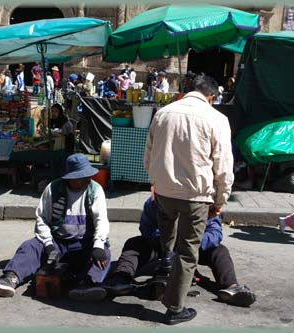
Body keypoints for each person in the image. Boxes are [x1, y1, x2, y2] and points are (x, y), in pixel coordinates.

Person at [144, 74, 234, 325]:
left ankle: (165, 271)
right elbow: (224, 166)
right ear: (211, 96)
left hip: (164, 192)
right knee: (188, 251)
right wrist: (220, 199)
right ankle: (174, 307)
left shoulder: (163, 113)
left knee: (168, 241)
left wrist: (156, 181)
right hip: (195, 195)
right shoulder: (217, 118)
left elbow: (148, 154)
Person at [0, 154, 111, 300]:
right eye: (82, 176)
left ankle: (87, 285)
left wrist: (98, 245)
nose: (87, 179)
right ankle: (10, 279)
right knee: (30, 246)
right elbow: (42, 219)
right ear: (70, 178)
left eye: (87, 175)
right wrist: (48, 245)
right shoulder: (53, 189)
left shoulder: (95, 190)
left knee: (104, 253)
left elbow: (101, 221)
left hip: (83, 244)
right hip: (58, 242)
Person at [104, 194, 256, 307]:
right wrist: (170, 242)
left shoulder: (203, 204)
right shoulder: (153, 203)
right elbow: (146, 228)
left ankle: (231, 287)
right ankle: (120, 280)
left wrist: (190, 244)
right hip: (162, 245)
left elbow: (215, 233)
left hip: (193, 246)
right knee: (134, 244)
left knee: (220, 251)